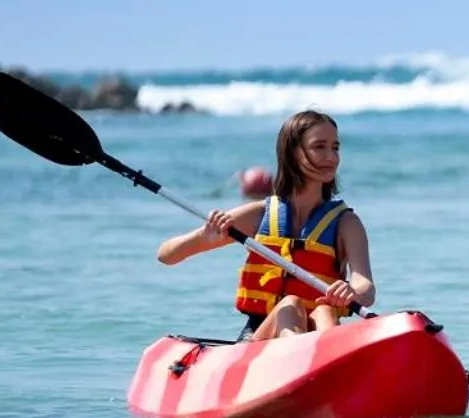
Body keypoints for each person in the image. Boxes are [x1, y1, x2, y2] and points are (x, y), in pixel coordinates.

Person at [156, 110, 376, 341]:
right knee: (289, 305)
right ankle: (300, 356)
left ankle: (326, 361)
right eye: (319, 146)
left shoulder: (346, 224)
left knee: (325, 311)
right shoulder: (259, 215)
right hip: (259, 343)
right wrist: (205, 237)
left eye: (335, 147)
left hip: (319, 339)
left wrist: (353, 291)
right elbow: (166, 255)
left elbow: (366, 287)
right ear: (292, 153)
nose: (331, 157)